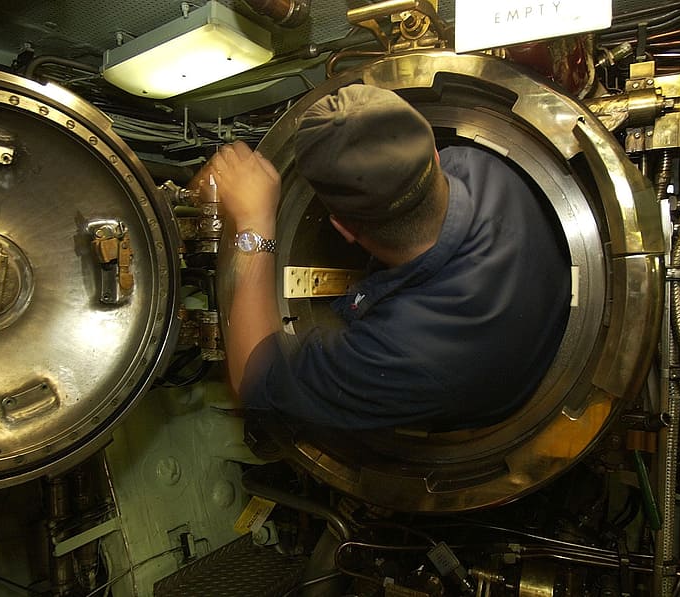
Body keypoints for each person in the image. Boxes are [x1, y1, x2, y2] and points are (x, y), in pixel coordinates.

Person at [207, 84, 571, 431]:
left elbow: (253, 378)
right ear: (433, 155)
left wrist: (255, 223)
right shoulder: (478, 163)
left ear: (344, 229)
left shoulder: (403, 353)